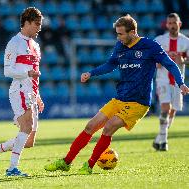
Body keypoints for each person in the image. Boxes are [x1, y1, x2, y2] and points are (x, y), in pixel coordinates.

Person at [44, 14, 189, 175]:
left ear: (132, 32)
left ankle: (90, 165)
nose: (118, 37)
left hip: (138, 103)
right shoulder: (120, 46)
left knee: (108, 127)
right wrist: (91, 73)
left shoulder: (150, 46)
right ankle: (66, 162)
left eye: (120, 34)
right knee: (90, 126)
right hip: (120, 98)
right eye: (117, 33)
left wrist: (180, 83)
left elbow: (170, 63)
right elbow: (110, 65)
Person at [0, 7, 44, 177]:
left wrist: (38, 96)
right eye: (37, 24)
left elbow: (35, 74)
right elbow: (7, 71)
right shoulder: (14, 43)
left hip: (31, 92)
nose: (39, 28)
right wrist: (26, 73)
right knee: (26, 127)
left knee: (29, 141)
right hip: (20, 90)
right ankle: (12, 169)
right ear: (27, 23)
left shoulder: (36, 46)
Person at [153, 13, 189, 151]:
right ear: (166, 25)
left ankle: (159, 138)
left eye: (174, 22)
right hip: (162, 79)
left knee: (173, 111)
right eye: (170, 23)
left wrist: (184, 61)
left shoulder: (186, 42)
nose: (172, 25)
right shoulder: (159, 40)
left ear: (179, 24)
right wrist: (156, 62)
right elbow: (151, 57)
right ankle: (164, 142)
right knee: (165, 107)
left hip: (178, 81)